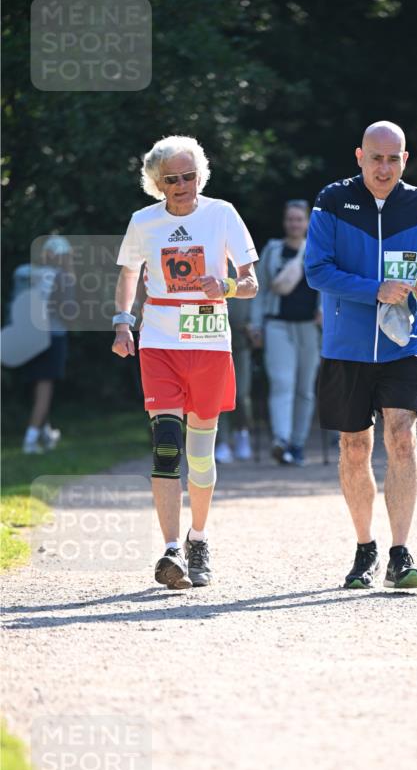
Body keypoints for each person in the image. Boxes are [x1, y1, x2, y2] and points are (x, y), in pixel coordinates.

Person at [304, 121, 417, 590]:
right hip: (346, 348)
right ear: (359, 157)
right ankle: (365, 546)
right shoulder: (332, 201)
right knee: (354, 448)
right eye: (376, 158)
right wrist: (376, 290)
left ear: (405, 160)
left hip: (404, 343)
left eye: (393, 158)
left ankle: (400, 551)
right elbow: (316, 270)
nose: (384, 167)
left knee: (403, 438)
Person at [111, 135, 258, 590]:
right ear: (156, 183)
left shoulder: (223, 214)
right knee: (167, 444)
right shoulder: (144, 221)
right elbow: (129, 274)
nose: (181, 185)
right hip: (159, 339)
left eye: (188, 176)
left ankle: (199, 537)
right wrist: (122, 323)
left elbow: (251, 281)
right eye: (171, 179)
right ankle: (171, 548)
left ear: (201, 176)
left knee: (200, 454)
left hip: (210, 340)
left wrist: (228, 287)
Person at [249, 200, 322, 466]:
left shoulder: (318, 251)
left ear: (307, 223)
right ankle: (280, 440)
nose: (294, 224)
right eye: (290, 219)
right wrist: (256, 325)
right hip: (277, 325)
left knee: (305, 390)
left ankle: (297, 444)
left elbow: (328, 286)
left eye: (299, 219)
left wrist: (325, 312)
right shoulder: (272, 250)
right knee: (282, 383)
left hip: (309, 328)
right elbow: (260, 290)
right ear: (285, 222)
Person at [19, 236, 75, 454]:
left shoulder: (31, 274)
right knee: (45, 388)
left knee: (39, 385)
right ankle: (30, 440)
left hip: (31, 336)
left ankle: (46, 433)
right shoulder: (63, 277)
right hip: (53, 337)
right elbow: (67, 312)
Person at [214, 294, 254, 464]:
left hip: (241, 335)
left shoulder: (245, 266)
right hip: (214, 333)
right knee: (217, 392)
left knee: (241, 394)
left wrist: (254, 323)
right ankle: (221, 441)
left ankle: (242, 432)